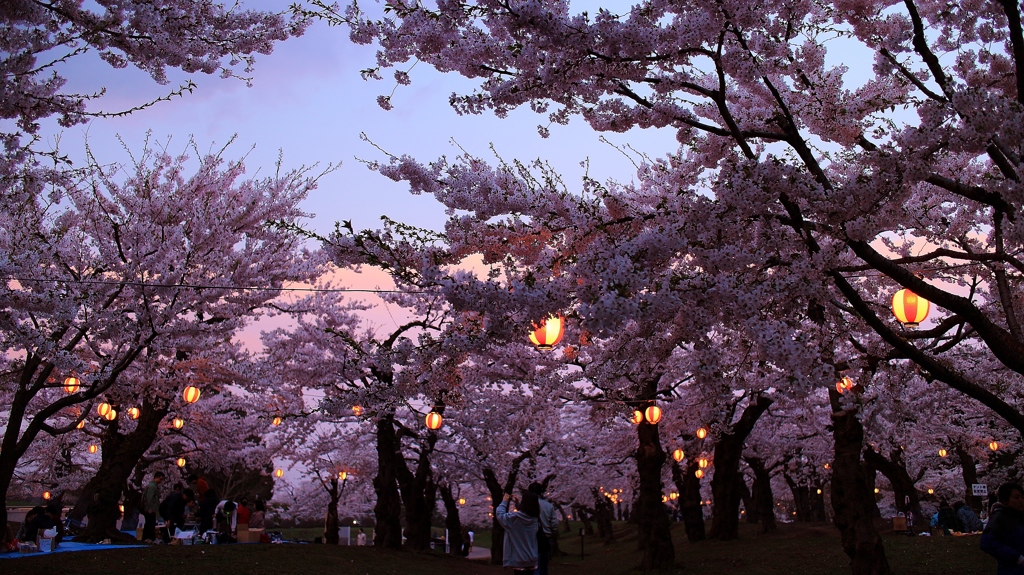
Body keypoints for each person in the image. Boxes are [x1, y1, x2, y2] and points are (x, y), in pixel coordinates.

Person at [981, 483, 1024, 574]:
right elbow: (987, 542)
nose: (1021, 501)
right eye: (1016, 497)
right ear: (1005, 500)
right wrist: (1017, 557)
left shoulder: (1019, 516)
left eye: (1022, 497)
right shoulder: (999, 518)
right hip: (1012, 570)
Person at [496, 489, 540, 574]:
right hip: (532, 558)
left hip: (519, 559)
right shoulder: (535, 519)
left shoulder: (514, 519)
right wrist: (518, 504)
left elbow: (500, 515)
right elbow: (527, 512)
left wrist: (504, 501)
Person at [529, 482, 558, 575]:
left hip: (531, 538)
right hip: (545, 537)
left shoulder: (526, 506)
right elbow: (554, 524)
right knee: (544, 566)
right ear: (541, 492)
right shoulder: (548, 506)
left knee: (534, 566)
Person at [141, 471, 165, 543]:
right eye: (160, 479)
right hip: (150, 509)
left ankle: (147, 538)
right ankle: (149, 538)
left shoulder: (152, 486)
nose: (161, 481)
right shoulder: (152, 486)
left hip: (151, 508)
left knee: (149, 523)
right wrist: (149, 508)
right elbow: (149, 498)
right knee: (150, 523)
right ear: (156, 477)